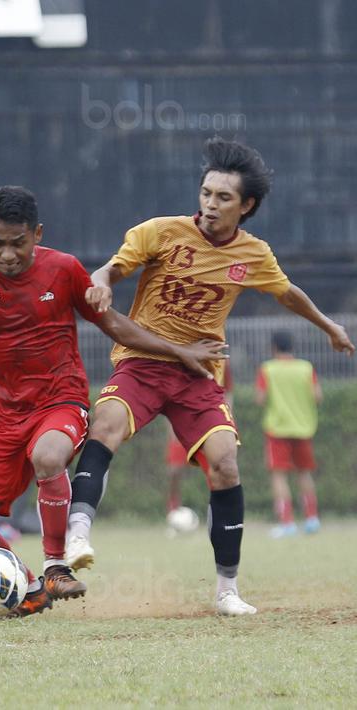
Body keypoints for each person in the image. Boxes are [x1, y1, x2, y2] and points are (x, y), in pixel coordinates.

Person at [0, 185, 225, 618]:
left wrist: (179, 351)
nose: (8, 254)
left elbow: (116, 326)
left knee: (49, 455)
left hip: (61, 401)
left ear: (37, 234)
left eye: (18, 243)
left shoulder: (64, 270)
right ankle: (31, 588)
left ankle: (56, 565)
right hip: (3, 418)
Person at [65, 138, 354, 616]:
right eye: (206, 193)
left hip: (198, 375)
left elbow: (286, 293)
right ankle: (78, 533)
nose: (210, 205)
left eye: (223, 198)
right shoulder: (161, 231)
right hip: (142, 363)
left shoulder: (253, 254)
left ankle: (226, 590)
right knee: (106, 425)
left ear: (247, 205)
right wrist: (98, 282)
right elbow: (112, 269)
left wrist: (327, 326)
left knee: (225, 466)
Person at [255, 331, 323, 538]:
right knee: (304, 473)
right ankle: (312, 519)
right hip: (303, 428)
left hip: (278, 429)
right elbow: (318, 397)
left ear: (274, 347)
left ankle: (287, 523)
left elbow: (259, 399)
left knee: (279, 475)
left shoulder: (268, 369)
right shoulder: (306, 368)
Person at [165, 366, 233, 517]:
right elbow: (168, 397)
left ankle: (220, 510)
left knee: (218, 469)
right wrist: (171, 425)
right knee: (174, 470)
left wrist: (228, 421)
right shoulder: (178, 357)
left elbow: (227, 393)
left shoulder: (221, 361)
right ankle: (173, 506)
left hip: (210, 425)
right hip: (182, 423)